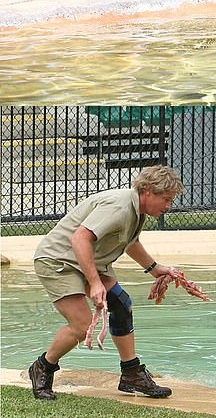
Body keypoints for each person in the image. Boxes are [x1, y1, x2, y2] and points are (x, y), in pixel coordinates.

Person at [28, 165, 185, 401]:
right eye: (166, 199)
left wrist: (154, 269)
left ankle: (131, 373)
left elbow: (129, 242)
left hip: (83, 261)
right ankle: (43, 366)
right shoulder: (120, 206)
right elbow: (79, 238)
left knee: (121, 303)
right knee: (81, 326)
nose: (168, 206)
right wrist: (94, 282)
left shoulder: (136, 210)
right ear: (149, 191)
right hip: (58, 261)